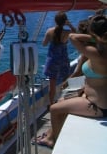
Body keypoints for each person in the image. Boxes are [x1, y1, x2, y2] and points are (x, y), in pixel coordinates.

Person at [34, 15, 107, 148]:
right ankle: (52, 133)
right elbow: (72, 35)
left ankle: (52, 141)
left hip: (97, 105)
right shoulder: (100, 52)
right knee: (62, 101)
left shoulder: (96, 54)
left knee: (54, 109)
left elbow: (74, 37)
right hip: (94, 98)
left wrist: (96, 38)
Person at [42, 11, 76, 104]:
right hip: (63, 60)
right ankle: (65, 101)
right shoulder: (67, 32)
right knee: (65, 81)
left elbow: (44, 44)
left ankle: (51, 103)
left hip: (52, 61)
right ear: (65, 21)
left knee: (52, 85)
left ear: (55, 20)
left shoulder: (49, 31)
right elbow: (76, 33)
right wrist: (69, 25)